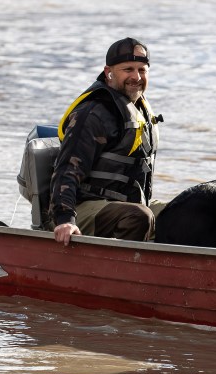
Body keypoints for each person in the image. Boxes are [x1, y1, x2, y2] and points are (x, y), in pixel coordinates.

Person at [49, 37, 161, 245]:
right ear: (109, 71)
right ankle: (122, 273)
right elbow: (66, 171)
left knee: (189, 211)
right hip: (80, 209)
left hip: (129, 205)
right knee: (138, 216)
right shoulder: (93, 114)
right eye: (128, 69)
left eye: (142, 70)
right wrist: (65, 219)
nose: (136, 77)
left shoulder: (139, 110)